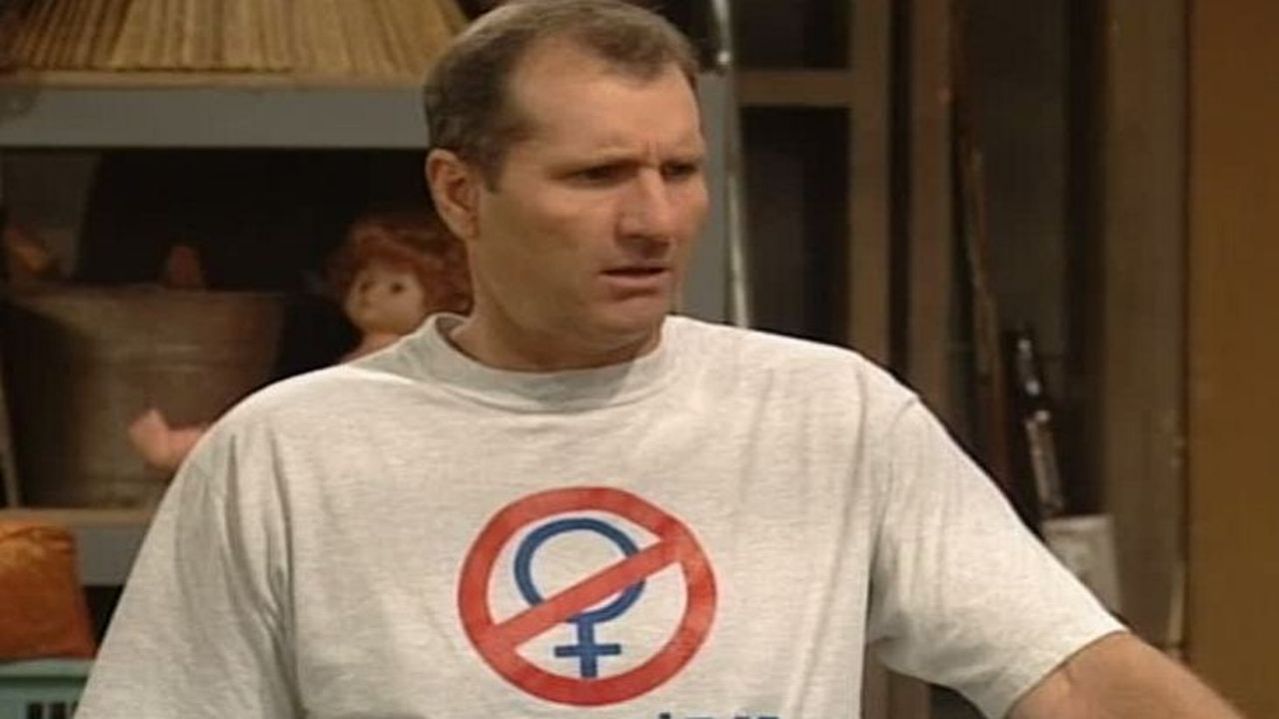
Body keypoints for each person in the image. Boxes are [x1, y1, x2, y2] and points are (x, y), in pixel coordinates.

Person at [78, 1, 1243, 717]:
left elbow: (1074, 677)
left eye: (679, 171)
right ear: (460, 193)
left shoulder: (828, 414)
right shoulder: (288, 453)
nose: (654, 220)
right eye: (596, 176)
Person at [126, 209, 471, 473]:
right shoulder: (372, 355)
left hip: (353, 452)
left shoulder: (405, 361)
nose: (371, 295)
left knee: (264, 437)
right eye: (365, 282)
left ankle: (184, 448)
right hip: (327, 443)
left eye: (396, 288)